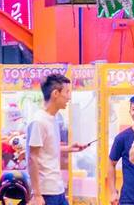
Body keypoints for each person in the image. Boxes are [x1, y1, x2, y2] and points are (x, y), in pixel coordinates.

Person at [28, 74, 91, 205]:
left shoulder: (53, 118)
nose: (69, 97)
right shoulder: (38, 121)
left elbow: (45, 149)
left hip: (57, 189)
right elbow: (32, 157)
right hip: (46, 193)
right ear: (55, 93)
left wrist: (69, 148)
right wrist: (37, 195)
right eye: (67, 92)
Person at [107, 95, 134, 205]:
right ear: (129, 112)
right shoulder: (122, 138)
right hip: (129, 198)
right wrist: (113, 192)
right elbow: (111, 163)